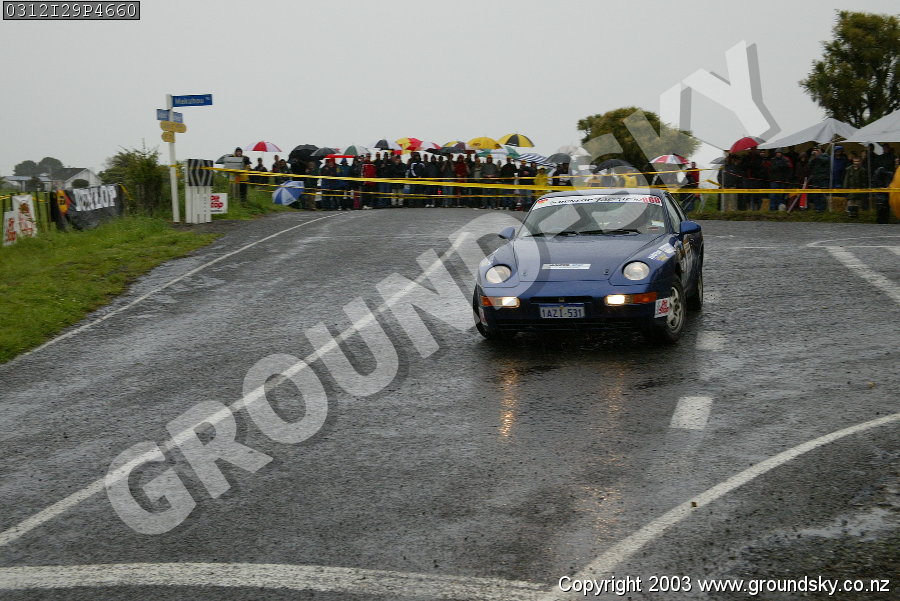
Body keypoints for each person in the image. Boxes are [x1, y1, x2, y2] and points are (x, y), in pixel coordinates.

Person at [808, 147, 831, 212]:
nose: (815, 151)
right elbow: (809, 165)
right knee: (816, 194)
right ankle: (817, 207)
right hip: (816, 179)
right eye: (814, 150)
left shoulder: (825, 156)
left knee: (822, 194)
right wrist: (812, 157)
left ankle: (822, 208)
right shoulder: (814, 157)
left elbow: (825, 161)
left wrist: (817, 156)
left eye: (817, 150)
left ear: (820, 151)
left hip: (823, 179)